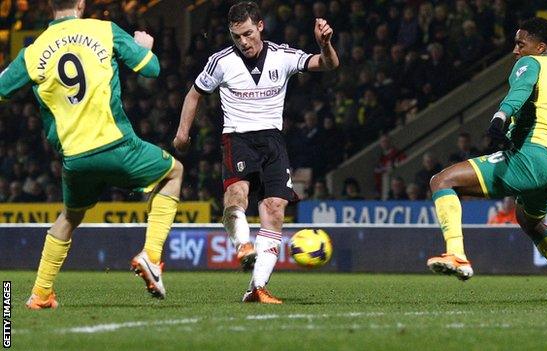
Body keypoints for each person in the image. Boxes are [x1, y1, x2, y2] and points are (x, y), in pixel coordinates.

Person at [0, 0, 184, 309]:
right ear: (82, 4)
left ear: (48, 6)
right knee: (175, 172)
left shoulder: (33, 52)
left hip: (75, 158)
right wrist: (144, 47)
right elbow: (151, 70)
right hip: (117, 145)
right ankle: (151, 256)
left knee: (70, 215)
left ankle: (40, 293)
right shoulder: (104, 30)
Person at [173, 1, 338, 304]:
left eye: (248, 33)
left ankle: (257, 288)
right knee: (237, 194)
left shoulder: (283, 56)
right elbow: (194, 93)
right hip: (237, 137)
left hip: (273, 141)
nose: (243, 42)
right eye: (237, 36)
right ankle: (242, 245)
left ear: (260, 26)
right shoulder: (220, 61)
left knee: (275, 210)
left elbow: (328, 64)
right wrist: (183, 132)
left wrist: (325, 45)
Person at [426, 17, 547, 304]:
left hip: (531, 157)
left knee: (442, 180)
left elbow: (519, 91)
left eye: (521, 43)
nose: (515, 51)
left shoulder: (531, 64)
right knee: (530, 221)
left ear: (540, 47)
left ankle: (457, 254)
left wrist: (501, 118)